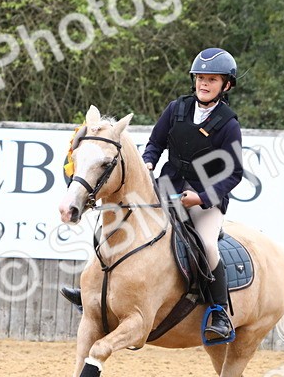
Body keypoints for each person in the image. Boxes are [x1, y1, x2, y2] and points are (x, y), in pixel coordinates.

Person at [60, 47, 245, 342]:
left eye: (212, 79)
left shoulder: (228, 124)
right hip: (166, 189)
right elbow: (156, 144)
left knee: (207, 245)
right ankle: (92, 292)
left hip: (204, 200)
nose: (204, 84)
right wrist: (148, 162)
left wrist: (200, 198)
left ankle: (219, 311)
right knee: (118, 226)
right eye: (200, 78)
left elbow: (233, 173)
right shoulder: (177, 109)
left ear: (226, 85)